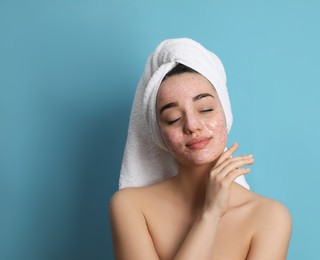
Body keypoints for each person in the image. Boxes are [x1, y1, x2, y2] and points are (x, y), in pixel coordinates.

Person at [110, 38, 292, 259]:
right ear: (159, 133)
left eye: (205, 109)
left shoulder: (269, 217)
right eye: (173, 118)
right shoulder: (131, 207)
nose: (192, 125)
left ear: (225, 113)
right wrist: (210, 214)